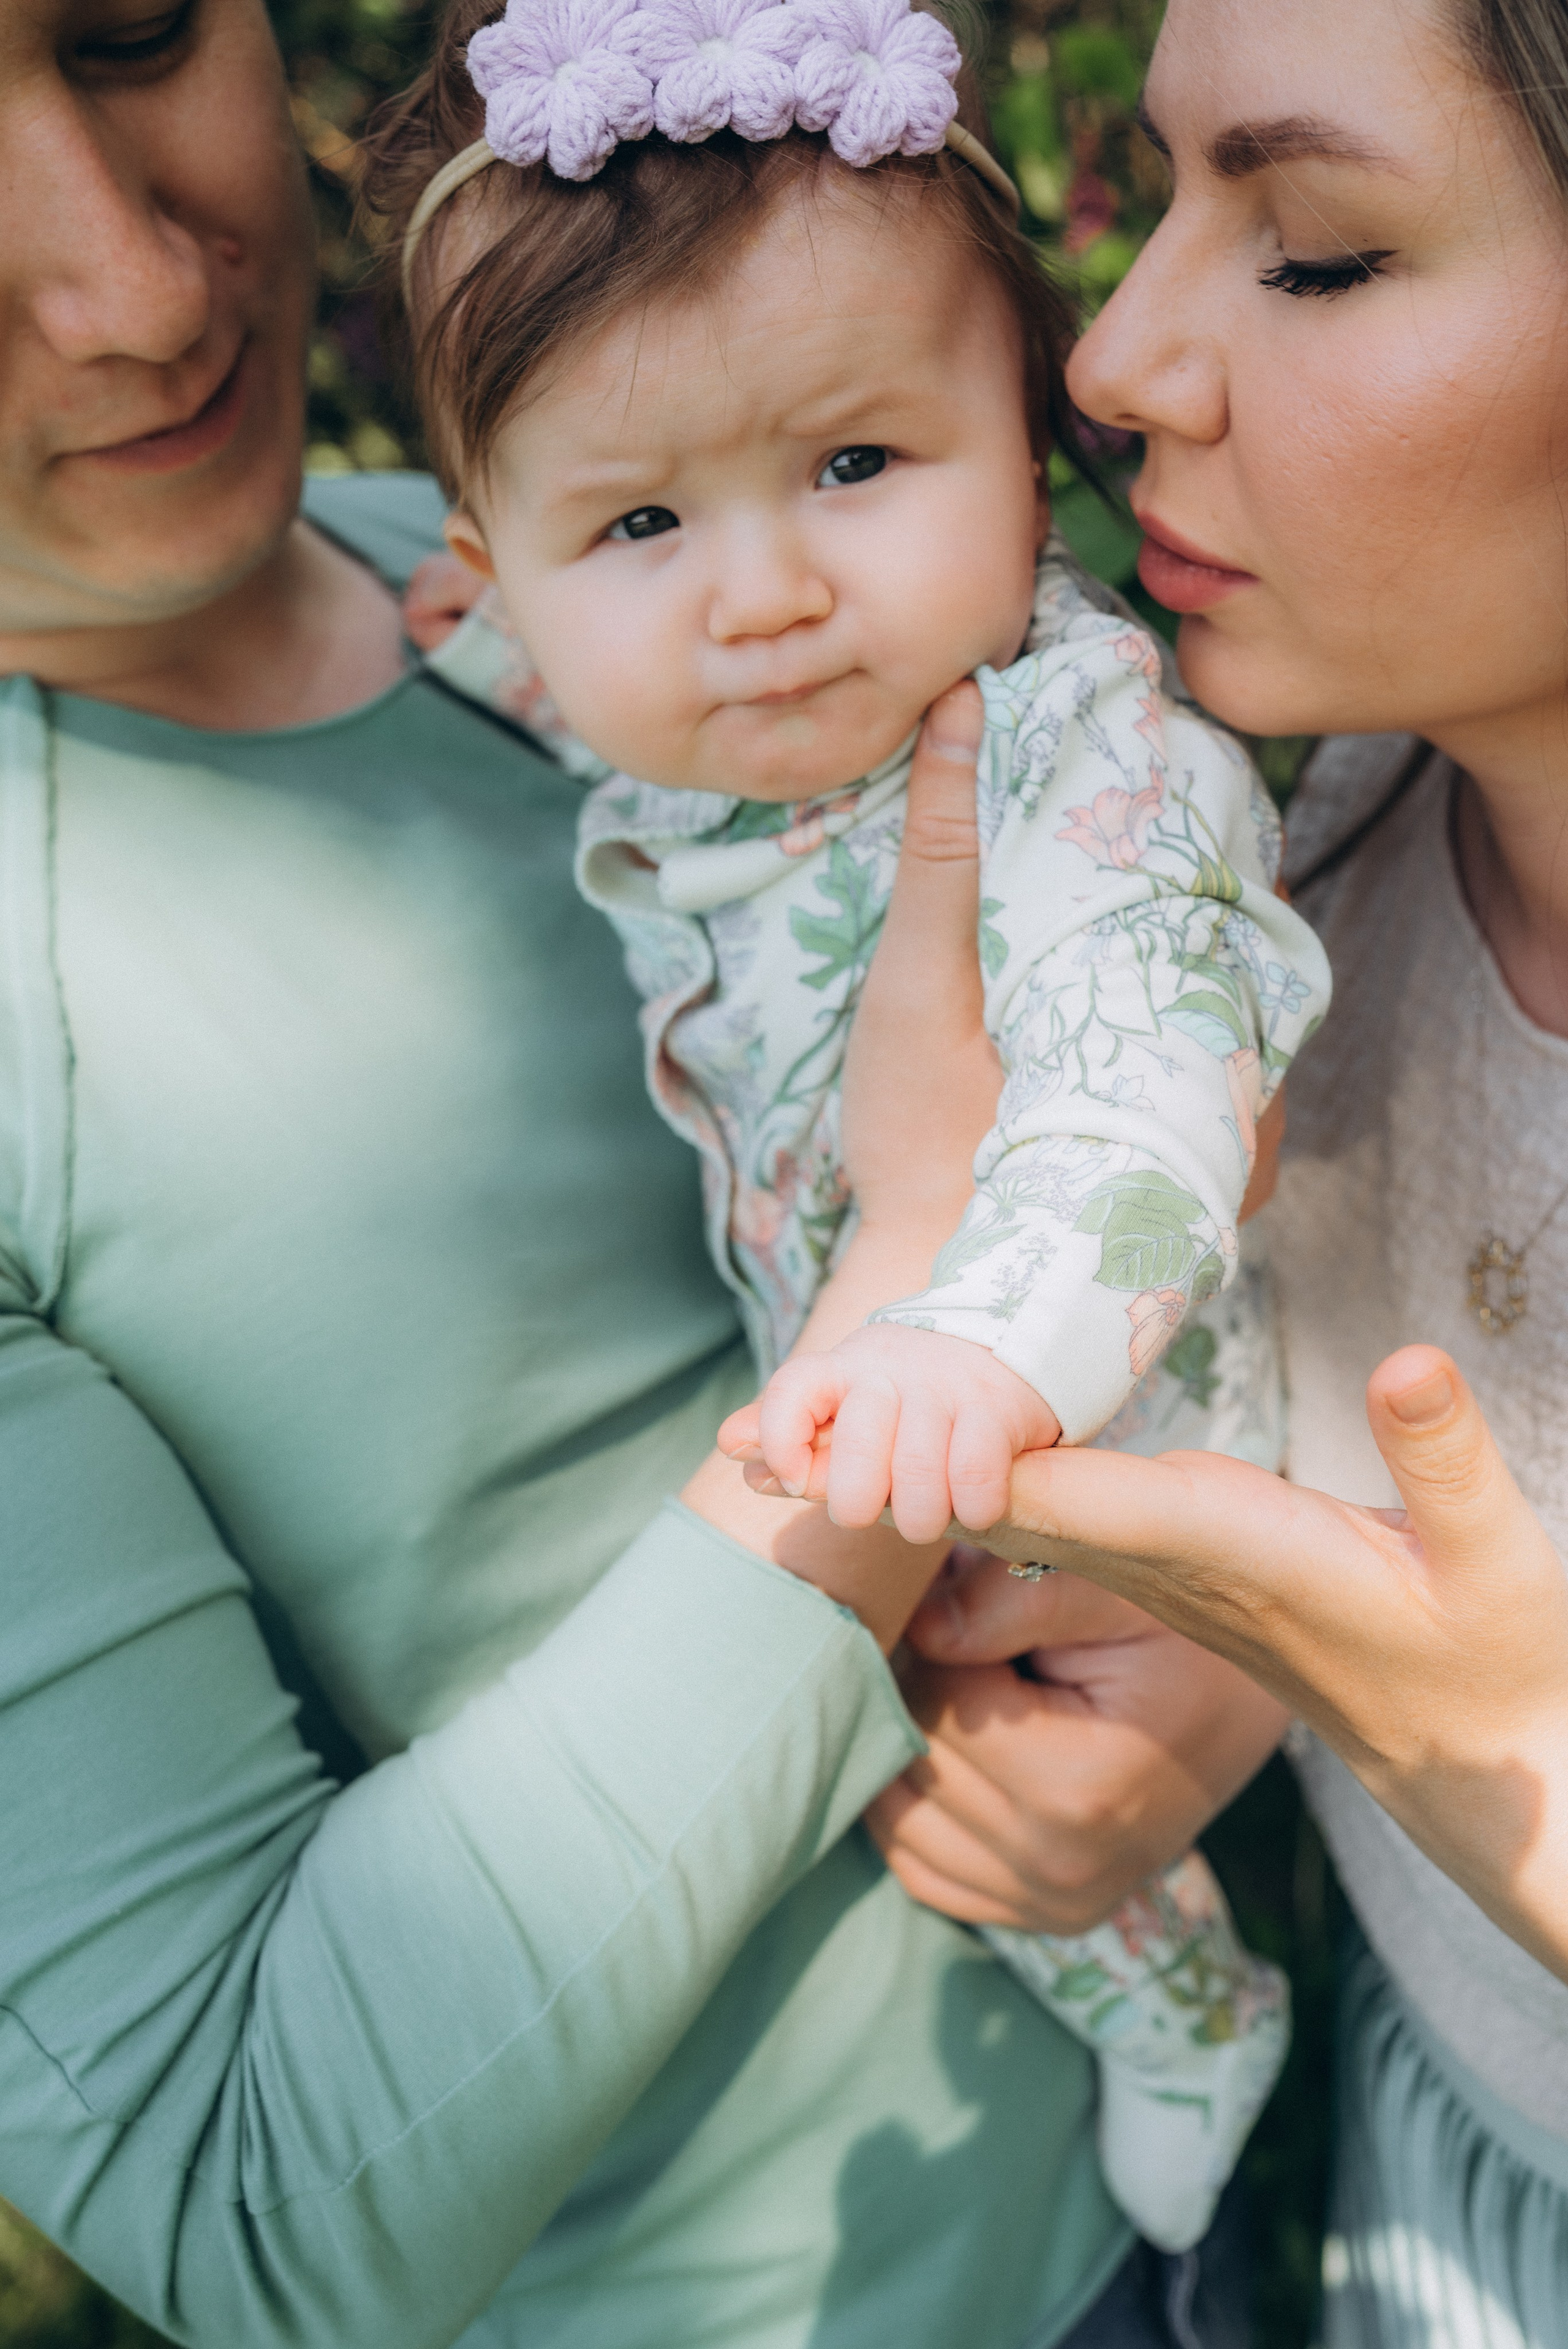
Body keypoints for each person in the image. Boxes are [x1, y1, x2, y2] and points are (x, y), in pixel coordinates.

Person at [0, 0, 1286, 2343]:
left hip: (1193, 2144)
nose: (140, 289)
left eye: (126, 26)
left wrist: (1240, 1663)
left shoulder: (544, 560)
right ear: (523, 529)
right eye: (640, 529)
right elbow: (248, 2201)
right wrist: (919, 1260)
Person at [376, 0, 1325, 2257]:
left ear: (1025, 424)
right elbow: (599, 667)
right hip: (897, 1433)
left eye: (857, 464)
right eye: (637, 520)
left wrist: (981, 1343)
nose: (766, 593)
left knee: (1019, 1779)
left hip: (1107, 1461)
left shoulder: (1079, 762)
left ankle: (1203, 2016)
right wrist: (504, 646)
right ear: (505, 553)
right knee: (917, 1761)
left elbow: (1151, 1100)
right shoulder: (728, 718)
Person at [815, 0, 1568, 2340]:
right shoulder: (1303, 852)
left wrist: (1501, 1767)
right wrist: (1242, 1692)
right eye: (1164, 196)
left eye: (1316, 249)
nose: (1117, 356)